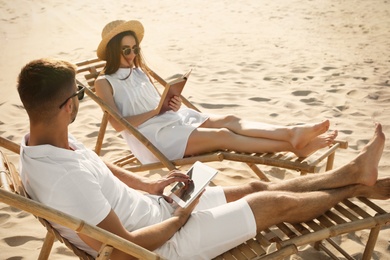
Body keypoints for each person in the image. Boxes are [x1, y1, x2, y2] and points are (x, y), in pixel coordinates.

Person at [17, 58, 390, 260]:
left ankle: (354, 173)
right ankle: (357, 186)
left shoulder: (39, 142)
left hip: (156, 208)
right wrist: (180, 217)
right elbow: (120, 252)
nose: (81, 99)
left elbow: (97, 163)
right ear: (68, 106)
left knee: (254, 186)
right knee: (270, 202)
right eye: (79, 94)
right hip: (164, 245)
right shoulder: (65, 180)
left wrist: (150, 185)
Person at [94, 20, 339, 164]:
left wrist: (171, 104)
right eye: (126, 50)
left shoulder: (139, 71)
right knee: (223, 136)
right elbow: (118, 125)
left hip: (171, 121)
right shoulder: (105, 82)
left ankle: (292, 133)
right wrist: (156, 111)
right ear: (114, 51)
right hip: (153, 142)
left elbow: (151, 105)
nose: (133, 54)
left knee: (231, 120)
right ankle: (293, 147)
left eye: (135, 48)